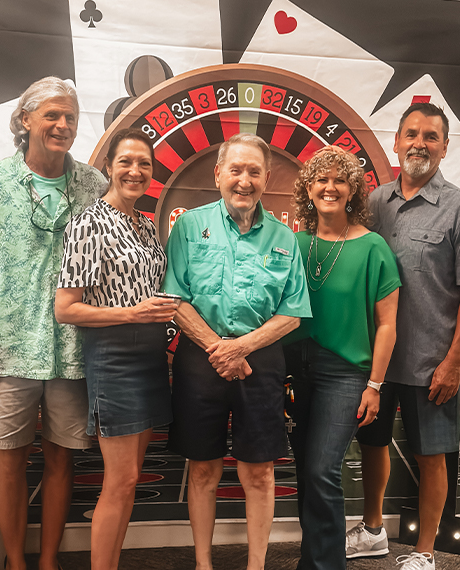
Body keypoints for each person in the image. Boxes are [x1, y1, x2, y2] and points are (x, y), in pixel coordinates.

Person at [162, 133, 310, 570]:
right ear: (218, 175)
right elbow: (175, 298)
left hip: (260, 360)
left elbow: (293, 313)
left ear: (267, 178)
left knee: (259, 471)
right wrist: (220, 349)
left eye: (254, 172)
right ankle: (203, 564)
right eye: (235, 170)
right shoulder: (189, 227)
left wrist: (242, 347)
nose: (244, 180)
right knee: (203, 468)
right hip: (199, 356)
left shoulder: (284, 237)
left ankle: (256, 565)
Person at [0, 76, 106, 570]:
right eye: (52, 115)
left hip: (72, 347)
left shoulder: (94, 185)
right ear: (25, 120)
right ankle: (15, 563)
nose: (63, 125)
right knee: (8, 459)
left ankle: (48, 563)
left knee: (63, 456)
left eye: (71, 117)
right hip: (10, 345)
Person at [55, 128, 177, 570]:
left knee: (131, 479)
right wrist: (131, 314)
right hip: (114, 358)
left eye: (144, 163)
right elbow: (66, 308)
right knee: (121, 479)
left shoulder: (147, 225)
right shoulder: (88, 223)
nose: (135, 171)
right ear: (108, 166)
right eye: (126, 161)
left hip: (149, 357)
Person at [346, 103, 460, 569]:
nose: (419, 143)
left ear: (445, 147)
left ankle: (425, 552)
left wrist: (454, 362)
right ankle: (373, 531)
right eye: (411, 134)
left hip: (431, 361)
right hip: (375, 359)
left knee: (431, 456)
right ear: (395, 142)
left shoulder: (456, 207)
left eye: (431, 136)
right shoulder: (373, 204)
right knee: (372, 444)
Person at [283, 148, 401, 570]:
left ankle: (326, 564)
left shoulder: (373, 248)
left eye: (340, 180)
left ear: (353, 191)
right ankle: (312, 559)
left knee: (322, 470)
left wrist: (375, 385)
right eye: (321, 179)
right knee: (305, 470)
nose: (329, 187)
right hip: (295, 370)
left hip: (346, 374)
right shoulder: (294, 243)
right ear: (308, 189)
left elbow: (387, 325)